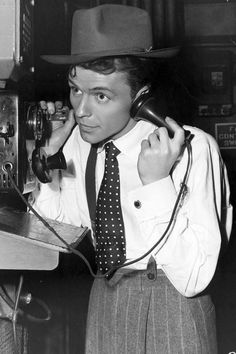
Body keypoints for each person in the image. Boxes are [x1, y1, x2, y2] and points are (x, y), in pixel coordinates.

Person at [30, 4, 232, 354]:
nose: (81, 111)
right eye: (76, 89)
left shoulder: (196, 151)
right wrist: (48, 167)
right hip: (106, 303)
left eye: (101, 96)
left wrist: (156, 184)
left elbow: (194, 279)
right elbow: (54, 238)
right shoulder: (78, 143)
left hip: (175, 310)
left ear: (140, 98)